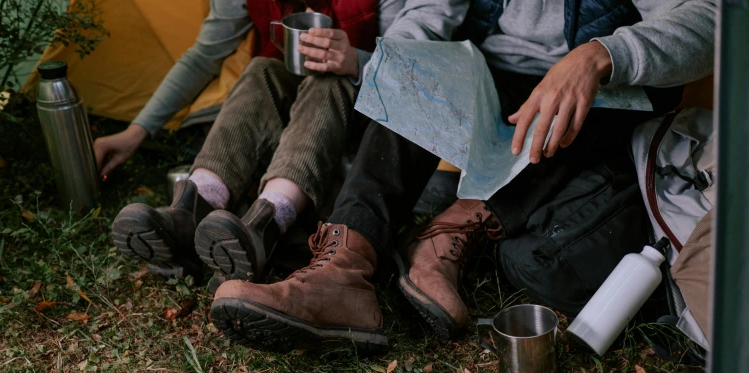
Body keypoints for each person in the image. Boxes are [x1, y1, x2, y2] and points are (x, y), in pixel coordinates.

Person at [209, 0, 716, 353]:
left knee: (606, 105)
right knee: (412, 68)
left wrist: (600, 55)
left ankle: (448, 232)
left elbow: (711, 18)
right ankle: (342, 272)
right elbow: (425, 18)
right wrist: (403, 74)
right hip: (487, 76)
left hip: (594, 89)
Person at [107, 0, 408, 286]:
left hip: (361, 124)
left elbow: (410, 65)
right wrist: (135, 132)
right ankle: (193, 212)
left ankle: (267, 223)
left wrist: (357, 61)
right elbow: (204, 56)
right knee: (260, 70)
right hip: (289, 129)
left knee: (328, 79)